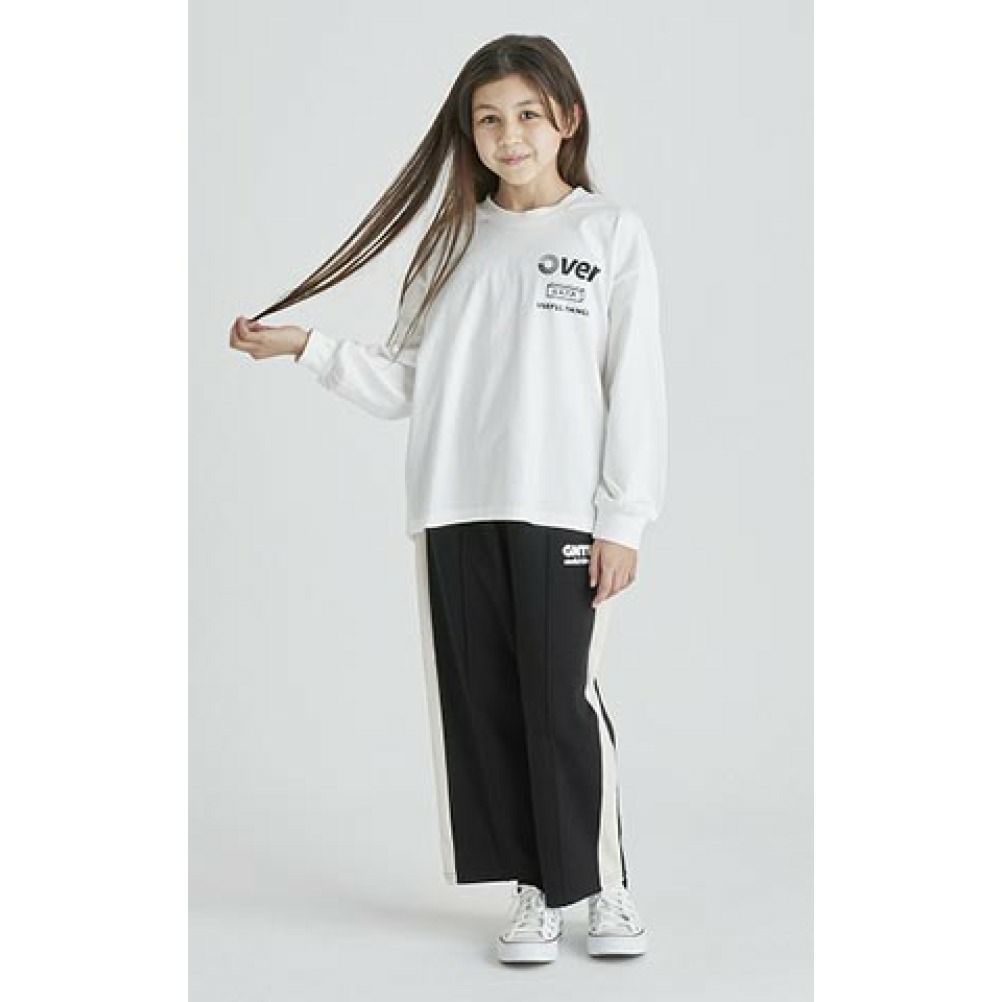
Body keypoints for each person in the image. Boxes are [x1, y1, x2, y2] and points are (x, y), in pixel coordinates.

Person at [229, 33, 668, 965]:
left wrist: (623, 518)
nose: (510, 136)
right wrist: (306, 348)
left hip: (561, 508)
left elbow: (636, 386)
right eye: (489, 120)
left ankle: (604, 887)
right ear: (470, 135)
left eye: (528, 115)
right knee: (485, 705)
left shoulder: (608, 233)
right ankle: (534, 889)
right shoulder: (453, 242)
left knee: (561, 698)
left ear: (567, 119)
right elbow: (406, 382)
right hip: (454, 505)